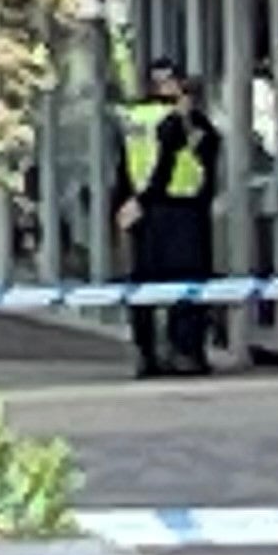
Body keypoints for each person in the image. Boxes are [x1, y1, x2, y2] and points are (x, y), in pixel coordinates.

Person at [116, 52, 222, 377]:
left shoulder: (136, 117)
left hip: (147, 211)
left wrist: (126, 203)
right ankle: (184, 353)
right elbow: (170, 164)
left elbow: (124, 165)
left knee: (146, 286)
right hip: (177, 209)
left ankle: (148, 352)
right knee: (187, 285)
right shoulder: (180, 122)